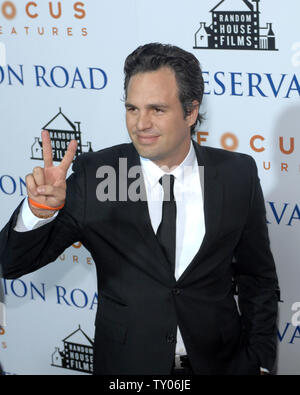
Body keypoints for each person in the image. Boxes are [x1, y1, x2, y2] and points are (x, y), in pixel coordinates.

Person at [0, 43, 279, 375]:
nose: (140, 124)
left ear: (191, 112)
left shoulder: (236, 174)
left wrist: (260, 360)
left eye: (157, 109)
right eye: (132, 109)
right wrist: (40, 211)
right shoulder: (99, 176)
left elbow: (257, 276)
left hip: (222, 365)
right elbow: (11, 263)